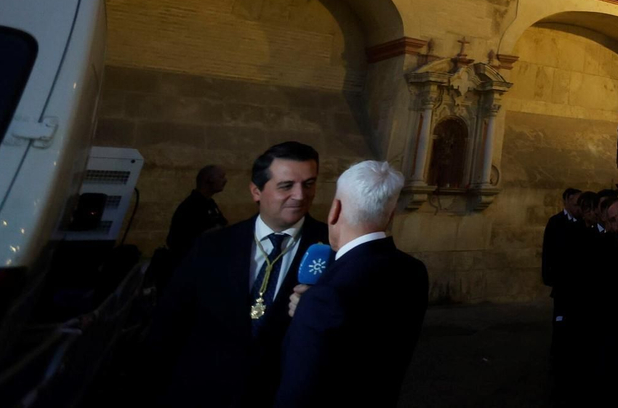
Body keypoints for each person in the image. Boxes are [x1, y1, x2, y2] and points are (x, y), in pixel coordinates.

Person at [143, 141, 326, 408]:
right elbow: (169, 325)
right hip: (203, 392)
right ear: (256, 191)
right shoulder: (212, 246)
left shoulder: (331, 249)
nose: (300, 196)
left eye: (308, 184)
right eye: (287, 186)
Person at [273, 160, 428, 408]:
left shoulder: (325, 296)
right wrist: (310, 310)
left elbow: (299, 392)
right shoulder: (413, 270)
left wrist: (308, 312)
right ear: (390, 215)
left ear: (335, 209)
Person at [543, 186, 582, 376]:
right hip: (562, 281)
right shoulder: (556, 222)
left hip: (576, 282)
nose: (578, 208)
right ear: (566, 201)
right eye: (575, 204)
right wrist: (548, 276)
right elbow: (548, 250)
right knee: (559, 317)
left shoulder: (582, 224)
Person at [167, 164, 228, 255]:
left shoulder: (210, 203)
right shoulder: (191, 205)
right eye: (221, 177)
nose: (225, 180)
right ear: (209, 179)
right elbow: (180, 240)